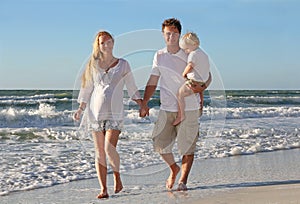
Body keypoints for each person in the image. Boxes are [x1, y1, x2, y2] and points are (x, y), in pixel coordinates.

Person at [140, 18, 211, 191]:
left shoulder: (189, 53)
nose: (171, 37)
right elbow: (153, 79)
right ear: (163, 35)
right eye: (167, 33)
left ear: (179, 34)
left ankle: (183, 181)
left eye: (174, 33)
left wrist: (200, 88)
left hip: (190, 107)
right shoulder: (159, 55)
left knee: (187, 147)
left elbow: (208, 76)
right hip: (167, 107)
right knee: (159, 144)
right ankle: (174, 168)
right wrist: (144, 102)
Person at [73, 31, 142, 199]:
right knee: (99, 152)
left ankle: (117, 176)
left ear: (113, 43)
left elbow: (131, 86)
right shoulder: (92, 64)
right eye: (102, 42)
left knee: (109, 148)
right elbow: (87, 88)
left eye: (108, 41)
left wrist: (141, 103)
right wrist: (81, 108)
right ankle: (103, 188)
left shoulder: (123, 64)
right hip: (95, 114)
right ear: (98, 45)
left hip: (115, 113)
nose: (106, 45)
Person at [172, 32, 211, 126]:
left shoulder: (193, 54)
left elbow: (190, 65)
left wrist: (184, 73)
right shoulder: (204, 54)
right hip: (203, 82)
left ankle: (181, 115)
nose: (186, 51)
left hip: (193, 82)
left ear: (194, 44)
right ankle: (200, 108)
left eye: (186, 49)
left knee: (180, 94)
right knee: (200, 92)